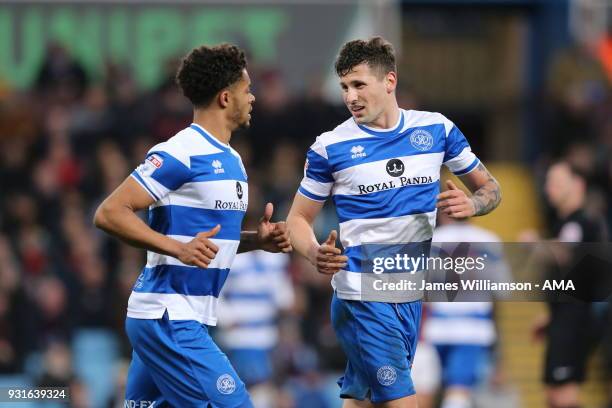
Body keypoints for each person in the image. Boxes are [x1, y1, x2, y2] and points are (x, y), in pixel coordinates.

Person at [286, 37, 502, 408]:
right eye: (344, 87)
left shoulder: (437, 131)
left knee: (363, 399)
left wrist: (473, 204)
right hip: (362, 295)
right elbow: (297, 220)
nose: (350, 97)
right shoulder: (330, 147)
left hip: (409, 297)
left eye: (358, 85)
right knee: (403, 402)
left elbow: (491, 189)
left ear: (389, 81)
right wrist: (313, 252)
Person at [93, 43, 292, 408]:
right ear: (225, 97)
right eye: (247, 90)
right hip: (168, 317)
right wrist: (176, 248)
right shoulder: (180, 151)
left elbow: (206, 240)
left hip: (183, 317)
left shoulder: (232, 159)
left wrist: (255, 241)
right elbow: (110, 212)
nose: (253, 97)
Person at [532, 161, 610, 408]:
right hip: (564, 317)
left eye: (556, 182)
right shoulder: (564, 225)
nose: (548, 189)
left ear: (577, 185)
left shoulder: (584, 222)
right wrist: (551, 314)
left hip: (576, 320)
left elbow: (566, 254)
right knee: (555, 396)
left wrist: (537, 244)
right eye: (548, 183)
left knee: (564, 396)